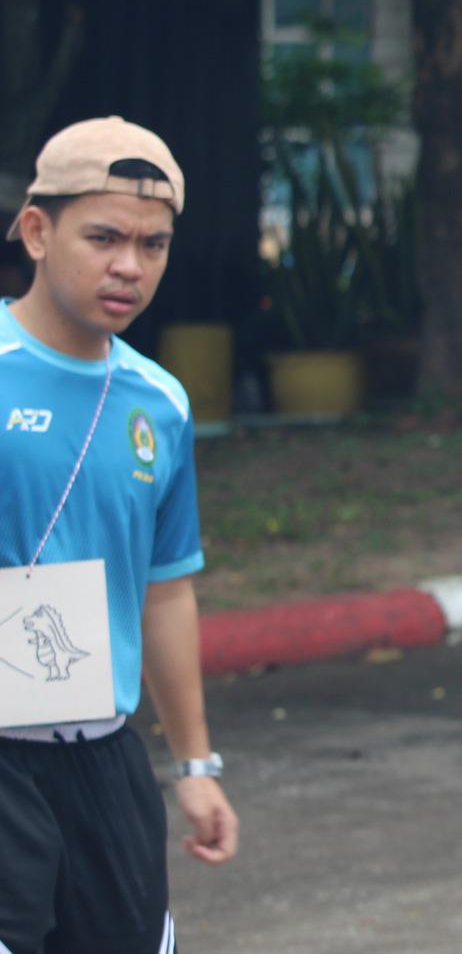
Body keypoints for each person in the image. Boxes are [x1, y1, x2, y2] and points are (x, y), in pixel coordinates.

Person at [0, 117, 238, 954]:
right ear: (36, 229)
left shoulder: (160, 404)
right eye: (103, 237)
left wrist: (196, 765)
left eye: (154, 244)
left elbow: (166, 588)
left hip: (104, 757)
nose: (130, 266)